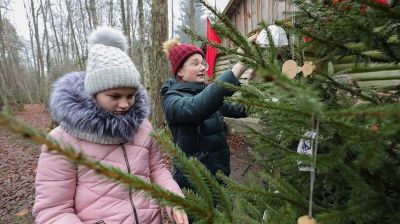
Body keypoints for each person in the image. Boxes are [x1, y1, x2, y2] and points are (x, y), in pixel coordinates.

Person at [32, 26, 188, 224]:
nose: (125, 104)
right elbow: (53, 210)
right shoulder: (62, 141)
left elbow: (156, 169)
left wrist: (173, 199)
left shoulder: (143, 127)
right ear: (94, 92)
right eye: (114, 96)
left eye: (130, 95)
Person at [160, 35, 257, 190]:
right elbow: (196, 108)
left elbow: (241, 109)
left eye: (203, 63)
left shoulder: (208, 93)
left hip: (220, 176)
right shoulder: (171, 99)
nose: (203, 67)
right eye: (195, 64)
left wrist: (253, 81)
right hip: (194, 185)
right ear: (179, 72)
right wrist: (240, 66)